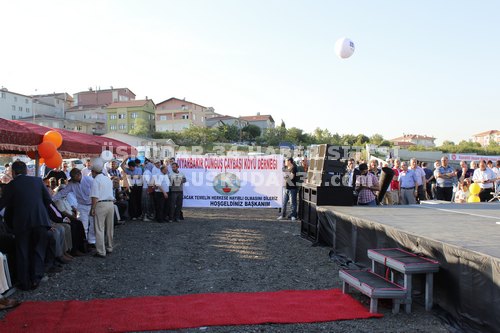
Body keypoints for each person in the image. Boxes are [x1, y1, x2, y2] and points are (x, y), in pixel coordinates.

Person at [1, 161, 52, 291]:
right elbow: (48, 200)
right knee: (38, 250)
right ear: (25, 171)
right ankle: (36, 278)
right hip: (40, 221)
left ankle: (24, 282)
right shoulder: (37, 181)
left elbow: (3, 205)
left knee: (22, 252)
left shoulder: (11, 185)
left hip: (22, 223)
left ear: (13, 172)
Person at [52, 168, 96, 248]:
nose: (72, 179)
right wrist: (51, 200)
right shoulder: (72, 183)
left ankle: (92, 241)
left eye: (73, 177)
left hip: (92, 204)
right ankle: (84, 242)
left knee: (93, 224)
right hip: (82, 205)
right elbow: (62, 192)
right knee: (83, 225)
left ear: (79, 174)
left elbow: (96, 192)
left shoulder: (89, 180)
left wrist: (94, 206)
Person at [90, 160, 115, 258]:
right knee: (109, 228)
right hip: (110, 204)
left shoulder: (96, 180)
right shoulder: (107, 179)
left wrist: (92, 208)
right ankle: (109, 247)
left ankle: (101, 251)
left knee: (99, 228)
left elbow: (94, 196)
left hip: (101, 204)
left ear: (94, 172)